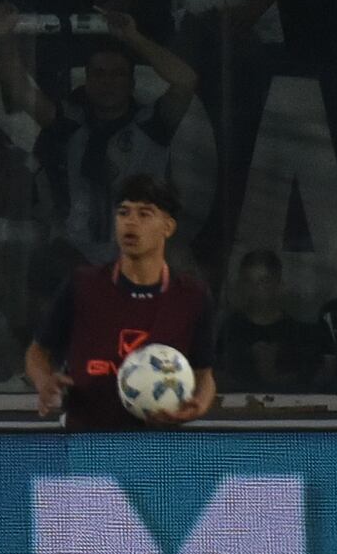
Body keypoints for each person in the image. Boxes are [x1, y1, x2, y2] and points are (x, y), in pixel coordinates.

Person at [27, 176, 220, 428]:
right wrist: (45, 383)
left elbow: (204, 374)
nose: (131, 221)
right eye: (123, 212)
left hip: (157, 444)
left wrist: (200, 404)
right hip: (87, 439)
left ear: (168, 227)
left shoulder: (192, 295)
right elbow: (37, 352)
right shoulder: (83, 284)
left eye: (144, 214)